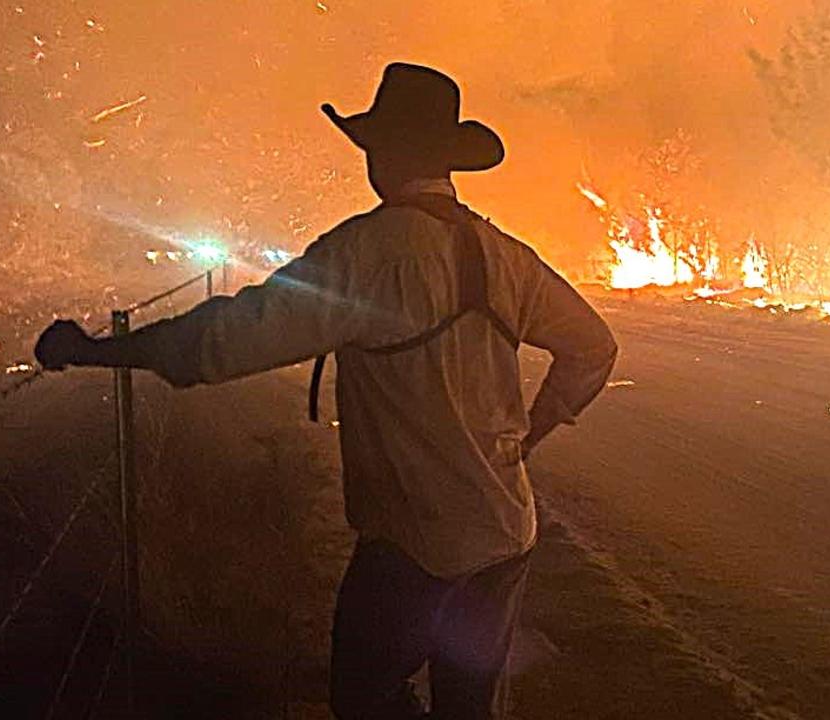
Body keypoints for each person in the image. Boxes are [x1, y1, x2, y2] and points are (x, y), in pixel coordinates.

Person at [34, 62, 617, 720]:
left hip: (413, 543)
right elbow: (594, 349)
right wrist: (529, 435)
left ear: (382, 155)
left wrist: (98, 350)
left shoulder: (364, 254)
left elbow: (227, 340)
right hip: (505, 532)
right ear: (447, 160)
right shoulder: (508, 256)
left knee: (363, 698)